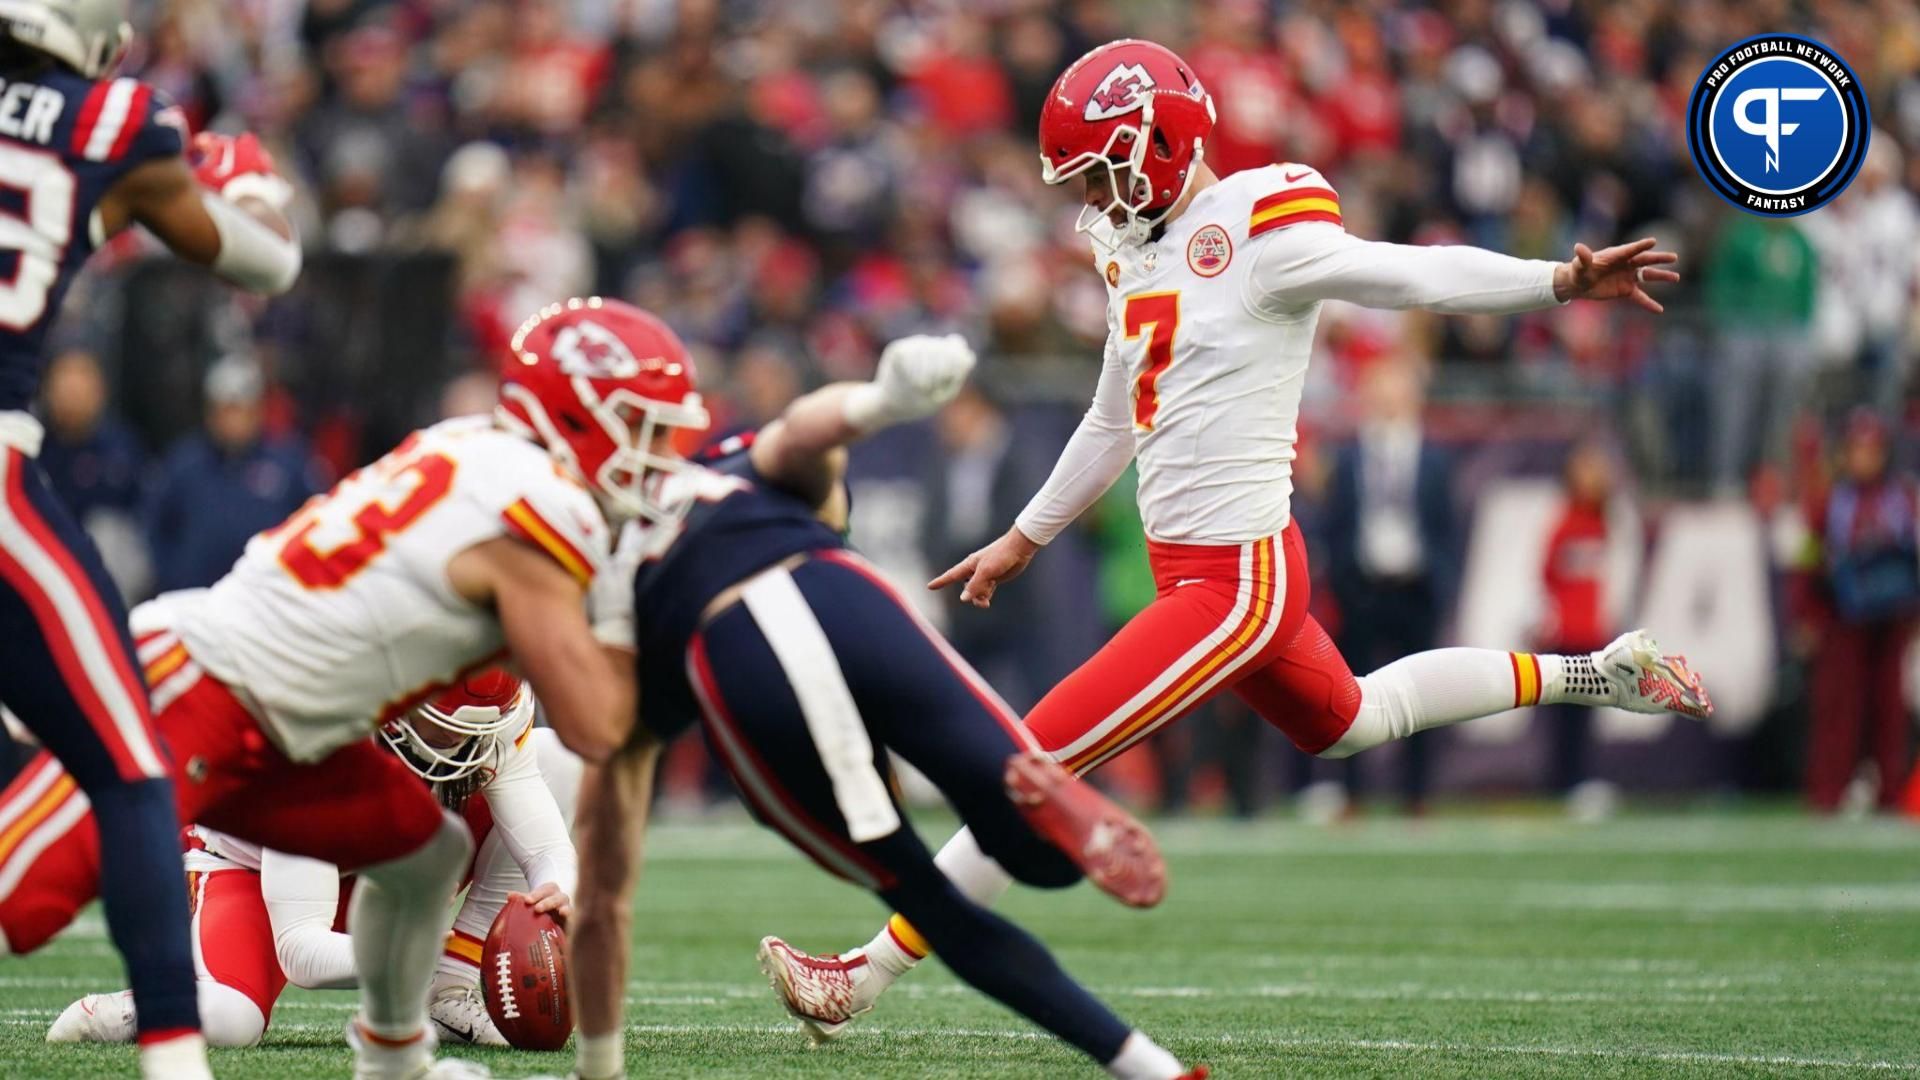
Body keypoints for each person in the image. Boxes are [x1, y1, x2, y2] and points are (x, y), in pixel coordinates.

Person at [761, 38, 1712, 1035]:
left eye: (1104, 168)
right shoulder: (1136, 246)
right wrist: (1024, 536)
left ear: (1162, 141)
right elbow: (1114, 416)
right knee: (1349, 722)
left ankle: (861, 978)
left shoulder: (1261, 227)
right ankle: (1602, 673)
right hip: (1208, 574)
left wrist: (1553, 284)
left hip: (1236, 582)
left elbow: (1410, 275)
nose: (1095, 195)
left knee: (1030, 760)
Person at [0, 294, 650, 1079]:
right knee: (27, 900)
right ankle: (158, 1000)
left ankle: (394, 1057)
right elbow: (304, 952)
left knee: (426, 855)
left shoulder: (465, 457)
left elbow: (538, 775)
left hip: (290, 716)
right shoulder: (521, 517)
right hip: (216, 693)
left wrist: (558, 886)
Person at [561, 305, 1206, 1080]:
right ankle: (1040, 796)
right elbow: (805, 436)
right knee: (1037, 852)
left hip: (737, 658)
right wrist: (882, 403)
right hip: (847, 601)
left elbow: (604, 877)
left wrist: (597, 1061)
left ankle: (1153, 1071)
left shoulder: (571, 565)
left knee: (932, 901)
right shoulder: (723, 475)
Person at [0, 1, 302, 1074]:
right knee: (134, 771)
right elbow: (265, 264)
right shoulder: (111, 120)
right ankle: (175, 1056)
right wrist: (248, 173)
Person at [46, 669, 582, 1049]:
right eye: (453, 732)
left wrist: (558, 890)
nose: (472, 747)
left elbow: (546, 850)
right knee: (232, 1019)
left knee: (558, 757)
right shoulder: (320, 740)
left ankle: (451, 991)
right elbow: (301, 951)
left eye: (484, 729)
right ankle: (116, 1012)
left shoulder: (484, 723)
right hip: (255, 870)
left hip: (377, 856)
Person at [1322, 358, 1459, 813]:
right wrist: (1343, 580)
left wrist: (1440, 583)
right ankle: (1352, 793)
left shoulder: (1433, 456)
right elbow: (1336, 523)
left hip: (1414, 587)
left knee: (1424, 695)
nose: (1388, 397)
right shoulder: (1350, 455)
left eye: (1396, 387)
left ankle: (1417, 794)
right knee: (1352, 694)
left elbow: (1445, 526)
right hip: (1363, 588)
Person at [1806, 410, 1918, 812]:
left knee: (1890, 711)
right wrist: (1812, 610)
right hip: (1846, 617)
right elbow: (1811, 557)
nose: (1864, 459)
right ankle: (1829, 792)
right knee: (1840, 709)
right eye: (1858, 450)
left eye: (1871, 450)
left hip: (1892, 617)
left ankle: (1889, 790)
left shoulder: (1901, 500)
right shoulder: (1833, 502)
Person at [145, 355, 323, 592]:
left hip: (268, 599)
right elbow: (155, 525)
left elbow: (315, 521)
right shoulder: (184, 463)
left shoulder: (288, 463)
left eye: (240, 409)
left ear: (257, 410)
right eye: (225, 410)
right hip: (196, 600)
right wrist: (173, 577)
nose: (232, 420)